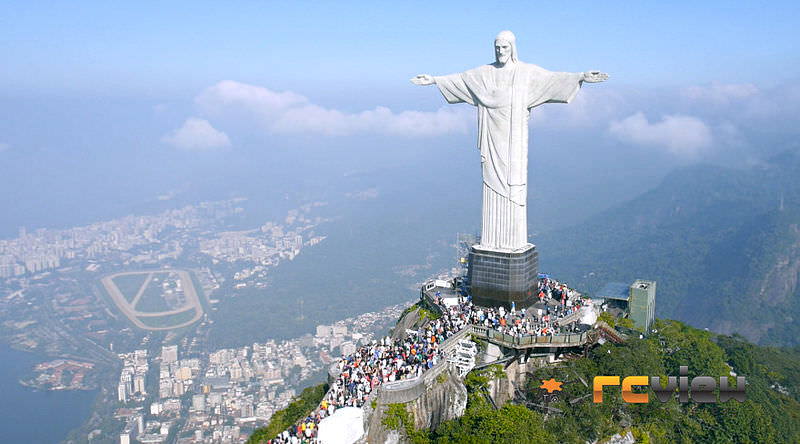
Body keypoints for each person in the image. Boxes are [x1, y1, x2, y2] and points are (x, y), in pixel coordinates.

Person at [412, 31, 607, 250]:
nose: (500, 51)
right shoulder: (484, 74)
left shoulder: (525, 73)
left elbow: (553, 79)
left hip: (513, 145)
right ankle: (491, 242)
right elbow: (461, 80)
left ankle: (511, 242)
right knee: (491, 184)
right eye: (497, 47)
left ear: (512, 48)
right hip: (492, 141)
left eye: (504, 47)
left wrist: (580, 76)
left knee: (513, 189)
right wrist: (435, 80)